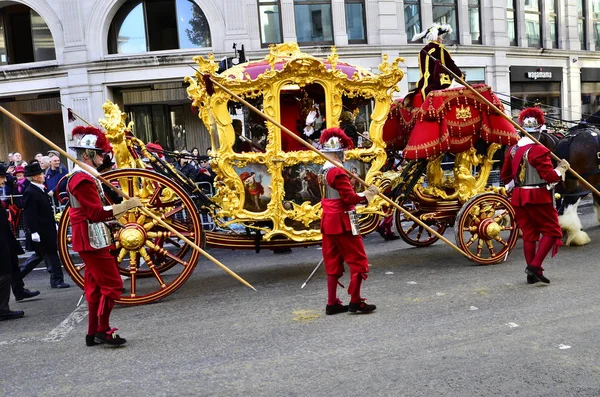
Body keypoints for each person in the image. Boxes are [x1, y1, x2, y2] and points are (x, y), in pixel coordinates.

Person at [67, 125, 142, 346]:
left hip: (93, 235)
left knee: (96, 287)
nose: (103, 156)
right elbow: (95, 212)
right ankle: (103, 330)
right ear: (88, 154)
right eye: (100, 153)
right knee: (112, 284)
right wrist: (125, 206)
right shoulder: (82, 179)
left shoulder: (88, 176)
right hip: (90, 237)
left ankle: (92, 332)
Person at [501, 107, 569, 284]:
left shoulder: (513, 149)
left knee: (530, 234)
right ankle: (534, 266)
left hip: (518, 196)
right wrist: (561, 168)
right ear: (539, 130)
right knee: (553, 231)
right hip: (538, 195)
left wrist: (512, 185)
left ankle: (532, 273)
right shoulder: (539, 150)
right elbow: (550, 176)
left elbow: (505, 176)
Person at [318, 127, 379, 315]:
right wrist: (367, 195)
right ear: (337, 152)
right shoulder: (338, 173)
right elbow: (349, 199)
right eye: (342, 151)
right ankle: (355, 301)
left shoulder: (323, 170)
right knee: (358, 260)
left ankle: (332, 302)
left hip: (328, 220)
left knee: (332, 261)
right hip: (344, 219)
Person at [20, 163, 70, 289]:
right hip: (41, 230)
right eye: (41, 174)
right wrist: (34, 231)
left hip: (47, 227)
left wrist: (54, 224)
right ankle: (56, 280)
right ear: (35, 177)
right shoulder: (31, 191)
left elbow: (46, 210)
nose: (43, 175)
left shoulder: (39, 189)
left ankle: (18, 277)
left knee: (42, 255)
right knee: (48, 254)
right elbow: (30, 214)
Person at [404, 23, 464, 107]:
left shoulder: (422, 51)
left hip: (423, 84)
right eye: (441, 37)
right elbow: (451, 65)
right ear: (437, 38)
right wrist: (461, 76)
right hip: (438, 82)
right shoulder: (440, 48)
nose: (442, 40)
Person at [0, 164, 28, 321]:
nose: (4, 180)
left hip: (5, 240)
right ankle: (2, 310)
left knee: (6, 273)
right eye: (2, 177)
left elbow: (11, 180)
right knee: (3, 276)